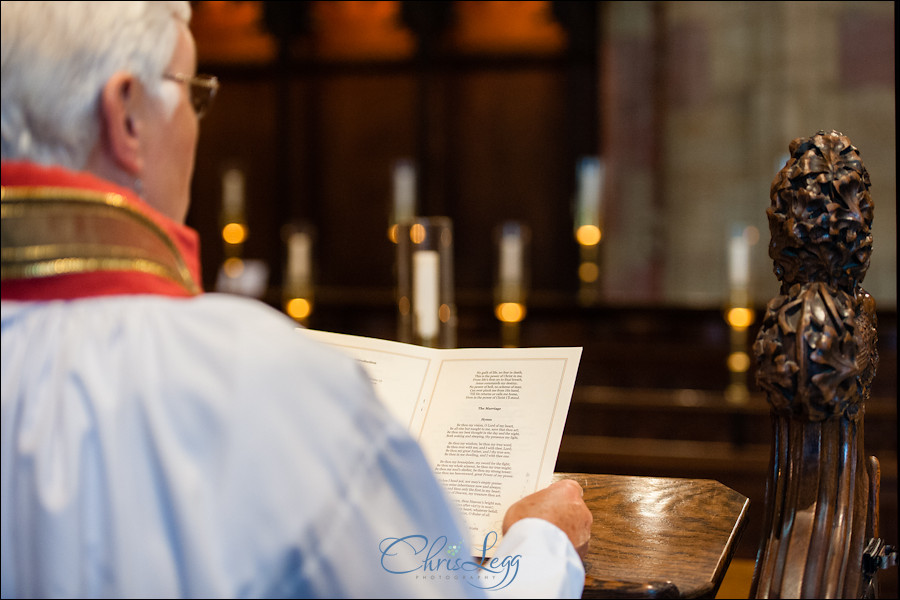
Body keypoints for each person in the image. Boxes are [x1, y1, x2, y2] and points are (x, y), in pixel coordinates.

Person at [0, 2, 592, 598]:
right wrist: (541, 541)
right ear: (127, 115)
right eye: (192, 95)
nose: (196, 125)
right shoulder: (251, 378)